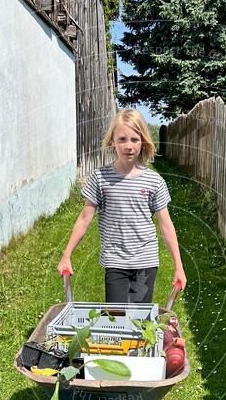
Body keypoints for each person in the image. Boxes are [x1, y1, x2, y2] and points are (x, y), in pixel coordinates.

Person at [57, 108, 187, 303]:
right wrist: (66, 255)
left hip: (145, 260)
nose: (129, 146)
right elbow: (85, 219)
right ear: (112, 141)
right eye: (122, 139)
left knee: (138, 320)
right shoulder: (100, 178)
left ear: (143, 141)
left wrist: (178, 266)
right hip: (115, 260)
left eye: (135, 139)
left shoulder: (154, 181)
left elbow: (166, 226)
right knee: (116, 318)